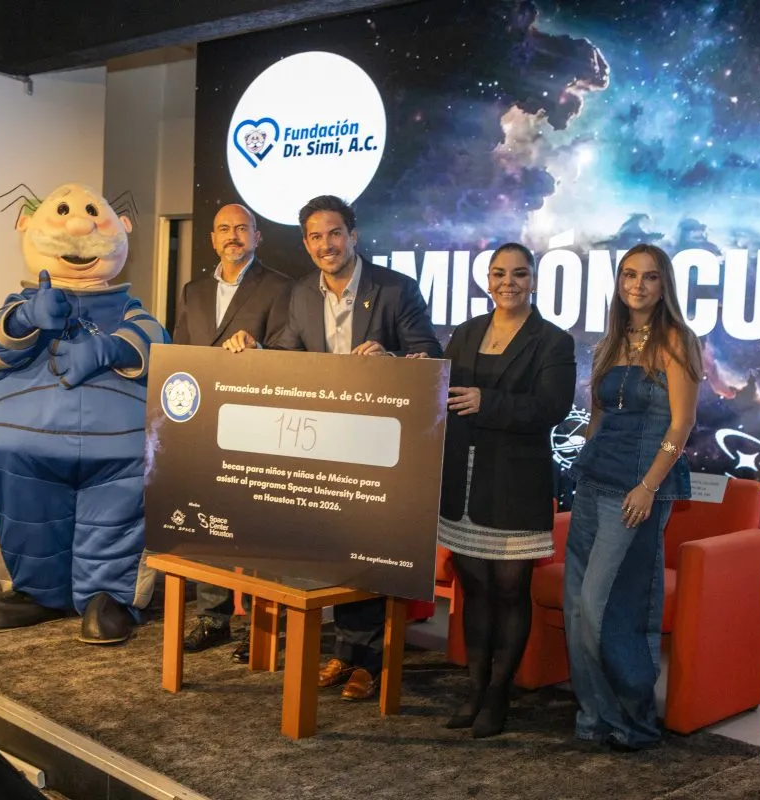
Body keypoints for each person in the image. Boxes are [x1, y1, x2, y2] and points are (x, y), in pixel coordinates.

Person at [222, 194, 441, 701]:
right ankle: (346, 651)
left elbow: (429, 354)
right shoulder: (300, 294)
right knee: (339, 551)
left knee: (371, 551)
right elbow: (288, 358)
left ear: (353, 236)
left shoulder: (395, 288)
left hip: (380, 446)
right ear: (306, 244)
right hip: (323, 446)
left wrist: (390, 359)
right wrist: (255, 350)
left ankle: (370, 662)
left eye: (335, 233)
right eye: (316, 237)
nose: (327, 245)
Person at [0, 183, 169, 646]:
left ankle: (110, 596)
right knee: (25, 510)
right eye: (63, 214)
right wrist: (24, 319)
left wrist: (111, 347)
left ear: (123, 229)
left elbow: (156, 343)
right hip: (23, 441)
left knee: (118, 516)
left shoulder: (128, 310)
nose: (79, 226)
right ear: (27, 227)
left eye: (93, 215)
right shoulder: (20, 305)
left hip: (117, 444)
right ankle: (34, 591)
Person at [563, 242, 701, 751]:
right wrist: (580, 463)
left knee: (605, 607)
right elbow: (598, 417)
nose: (637, 285)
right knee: (576, 606)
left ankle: (633, 720)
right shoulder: (611, 341)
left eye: (649, 276)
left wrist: (648, 486)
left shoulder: (677, 340)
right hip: (593, 482)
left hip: (637, 491)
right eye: (628, 275)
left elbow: (682, 424)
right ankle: (593, 716)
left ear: (664, 286)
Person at [436, 242, 576, 738]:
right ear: (487, 279)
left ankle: (500, 693)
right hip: (464, 481)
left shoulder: (553, 341)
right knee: (474, 590)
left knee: (510, 591)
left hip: (516, 484)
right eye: (499, 273)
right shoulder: (466, 331)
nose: (508, 283)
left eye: (518, 274)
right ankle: (475, 689)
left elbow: (552, 408)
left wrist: (487, 401)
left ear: (533, 280)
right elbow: (441, 389)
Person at [174, 203, 292, 662]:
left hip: (257, 423)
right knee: (209, 520)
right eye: (224, 228)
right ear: (212, 238)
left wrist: (257, 348)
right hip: (204, 422)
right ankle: (213, 617)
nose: (233, 236)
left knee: (260, 524)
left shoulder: (280, 287)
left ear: (257, 237)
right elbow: (182, 352)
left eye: (242, 228)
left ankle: (266, 626)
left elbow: (289, 350)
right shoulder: (194, 290)